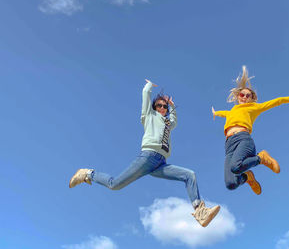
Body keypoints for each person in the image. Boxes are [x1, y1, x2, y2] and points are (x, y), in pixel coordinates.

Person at [69, 79, 220, 227]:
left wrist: (172, 107)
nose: (162, 108)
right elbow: (145, 96)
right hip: (148, 156)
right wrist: (149, 86)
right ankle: (87, 173)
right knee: (114, 185)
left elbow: (174, 121)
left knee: (189, 175)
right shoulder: (149, 116)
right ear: (154, 107)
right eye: (159, 105)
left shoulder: (167, 123)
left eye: (164, 106)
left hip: (160, 163)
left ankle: (201, 212)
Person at [212, 66, 289, 195]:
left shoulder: (254, 107)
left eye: (248, 95)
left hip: (242, 139)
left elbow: (279, 101)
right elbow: (224, 113)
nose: (244, 97)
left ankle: (261, 158)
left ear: (252, 98)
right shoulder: (232, 111)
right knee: (231, 184)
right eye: (242, 94)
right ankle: (248, 178)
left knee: (236, 167)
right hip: (229, 145)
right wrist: (215, 113)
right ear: (238, 96)